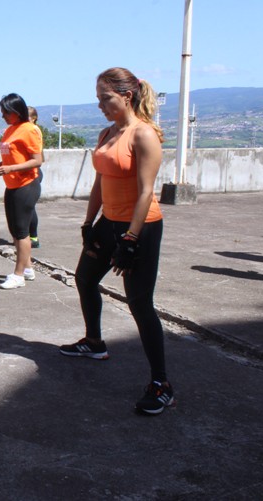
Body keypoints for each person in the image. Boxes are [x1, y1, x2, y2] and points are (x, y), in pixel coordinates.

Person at [59, 67, 173, 416]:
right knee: (84, 278)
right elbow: (100, 182)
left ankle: (161, 384)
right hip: (108, 222)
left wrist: (131, 239)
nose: (100, 106)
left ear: (126, 96)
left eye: (105, 99)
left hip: (140, 226)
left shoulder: (144, 135)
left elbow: (145, 192)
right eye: (98, 100)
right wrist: (89, 222)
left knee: (139, 303)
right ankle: (94, 342)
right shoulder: (107, 133)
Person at [0, 93, 43, 289]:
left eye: (6, 112)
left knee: (21, 232)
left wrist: (10, 169)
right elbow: (14, 157)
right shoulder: (10, 130)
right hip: (11, 185)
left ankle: (18, 276)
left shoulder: (29, 130)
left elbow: (37, 160)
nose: (3, 115)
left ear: (17, 112)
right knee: (14, 231)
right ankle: (27, 268)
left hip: (25, 185)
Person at [27, 106, 44, 249]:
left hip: (34, 171)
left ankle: (33, 237)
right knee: (27, 207)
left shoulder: (33, 130)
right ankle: (28, 236)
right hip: (31, 171)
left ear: (34, 118)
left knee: (30, 207)